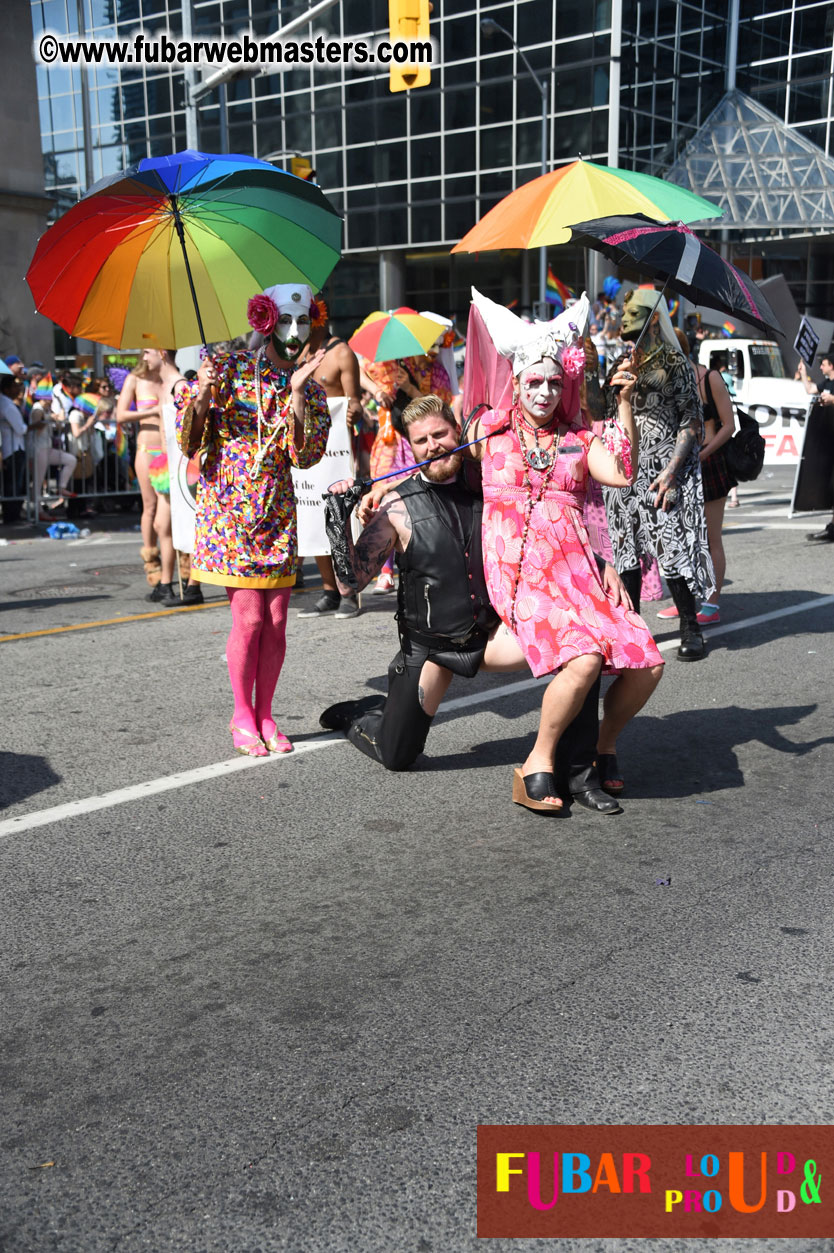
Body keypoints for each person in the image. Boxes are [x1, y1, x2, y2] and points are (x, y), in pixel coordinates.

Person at [321, 393, 627, 815]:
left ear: (458, 431)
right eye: (422, 440)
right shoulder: (396, 506)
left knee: (580, 644)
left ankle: (578, 768)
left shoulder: (495, 482)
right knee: (397, 755)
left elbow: (554, 519)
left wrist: (599, 561)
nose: (434, 445)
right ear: (411, 447)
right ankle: (366, 714)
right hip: (432, 647)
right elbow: (348, 583)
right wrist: (336, 521)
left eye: (441, 434)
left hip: (493, 633)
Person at [462, 289, 664, 812]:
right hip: (520, 573)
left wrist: (622, 402)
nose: (546, 392)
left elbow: (622, 472)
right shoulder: (489, 430)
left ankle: (602, 747)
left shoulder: (578, 437)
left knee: (647, 663)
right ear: (516, 382)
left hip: (577, 573)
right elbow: (435, 455)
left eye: (556, 381)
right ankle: (538, 761)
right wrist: (369, 489)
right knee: (585, 655)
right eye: (534, 381)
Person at [176, 283, 330, 756]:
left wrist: (299, 393)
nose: (294, 331)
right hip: (229, 516)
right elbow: (189, 442)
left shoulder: (312, 386)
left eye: (302, 322)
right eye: (285, 321)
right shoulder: (226, 370)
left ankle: (266, 714)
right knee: (248, 619)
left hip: (278, 515)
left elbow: (305, 459)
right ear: (265, 321)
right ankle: (242, 714)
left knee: (277, 621)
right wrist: (201, 397)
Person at [601, 288, 715, 661]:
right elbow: (600, 411)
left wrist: (671, 472)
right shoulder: (620, 361)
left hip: (661, 470)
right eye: (625, 317)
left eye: (635, 317)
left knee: (670, 548)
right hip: (624, 471)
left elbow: (693, 420)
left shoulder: (676, 364)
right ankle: (630, 632)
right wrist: (605, 380)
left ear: (652, 318)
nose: (627, 325)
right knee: (625, 553)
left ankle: (690, 626)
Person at [655, 329, 736, 624]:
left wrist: (702, 454)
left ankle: (711, 606)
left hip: (709, 464)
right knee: (681, 538)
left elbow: (729, 425)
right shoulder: (664, 382)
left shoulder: (708, 377)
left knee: (710, 538)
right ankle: (685, 601)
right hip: (677, 468)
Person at [294, 296, 364, 618]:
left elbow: (356, 402)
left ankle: (349, 590)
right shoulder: (297, 356)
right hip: (307, 450)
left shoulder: (341, 353)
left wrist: (353, 411)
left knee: (339, 518)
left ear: (320, 319)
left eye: (305, 319)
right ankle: (328, 590)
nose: (299, 326)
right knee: (311, 515)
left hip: (336, 451)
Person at [116, 351, 176, 597]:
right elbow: (120, 415)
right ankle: (151, 559)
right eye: (144, 351)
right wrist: (152, 413)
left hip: (170, 448)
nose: (145, 355)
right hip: (146, 448)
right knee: (150, 506)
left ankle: (177, 563)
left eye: (149, 351)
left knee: (171, 509)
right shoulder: (135, 380)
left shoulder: (169, 378)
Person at [798, 355, 834, 544]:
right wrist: (803, 373)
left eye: (823, 364)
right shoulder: (827, 382)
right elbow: (810, 389)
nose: (820, 367)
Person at [0, 375, 28, 523]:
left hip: (11, 448)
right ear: (6, 389)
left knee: (13, 483)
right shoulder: (7, 405)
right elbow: (20, 428)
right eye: (15, 386)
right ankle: (12, 515)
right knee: (14, 484)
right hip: (13, 449)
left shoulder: (7, 403)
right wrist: (30, 427)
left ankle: (11, 514)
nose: (18, 389)